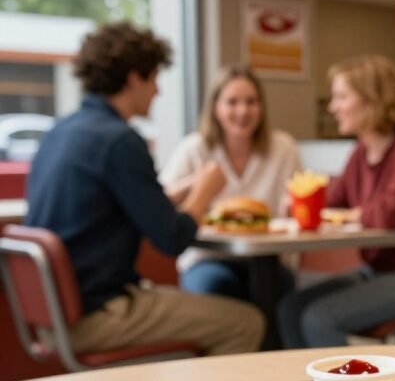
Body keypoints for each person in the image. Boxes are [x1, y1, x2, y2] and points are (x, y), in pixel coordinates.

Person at [25, 23, 264, 356]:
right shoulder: (120, 141)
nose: (158, 91)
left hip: (53, 315)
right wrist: (205, 192)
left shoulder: (61, 132)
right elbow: (172, 239)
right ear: (134, 78)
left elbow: (123, 208)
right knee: (247, 322)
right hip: (97, 315)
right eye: (154, 79)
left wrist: (187, 187)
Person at [277, 55, 395, 348]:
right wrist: (304, 205)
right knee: (290, 308)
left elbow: (389, 215)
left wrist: (349, 214)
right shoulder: (360, 152)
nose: (333, 107)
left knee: (319, 319)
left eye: (342, 96)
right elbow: (333, 206)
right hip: (376, 272)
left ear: (373, 99)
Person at [160, 65, 299, 301]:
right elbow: (161, 199)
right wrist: (197, 183)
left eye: (251, 102)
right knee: (216, 285)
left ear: (262, 107)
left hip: (265, 258)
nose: (243, 111)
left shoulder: (283, 148)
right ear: (215, 108)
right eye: (232, 102)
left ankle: (272, 340)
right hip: (207, 258)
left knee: (277, 286)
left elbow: (296, 205)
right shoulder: (194, 148)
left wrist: (293, 211)